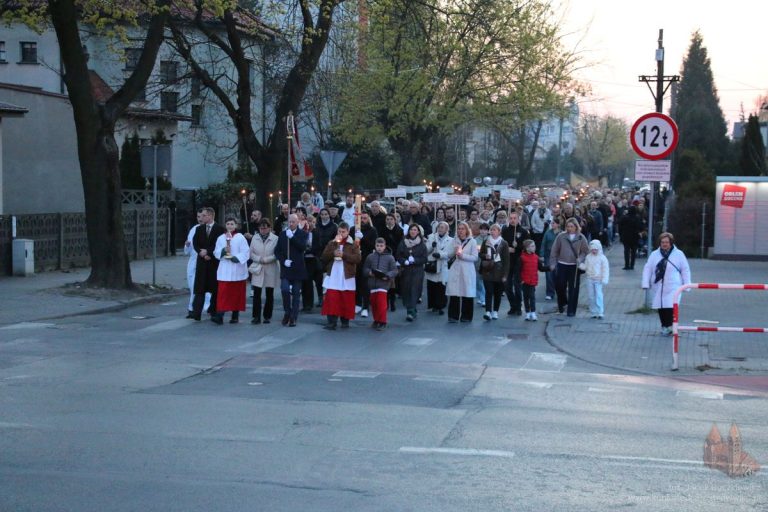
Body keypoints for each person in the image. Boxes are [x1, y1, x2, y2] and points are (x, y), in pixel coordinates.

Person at [642, 232, 691, 336]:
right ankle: (664, 326)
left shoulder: (679, 254)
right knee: (661, 307)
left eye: (667, 242)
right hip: (658, 285)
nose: (664, 244)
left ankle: (669, 326)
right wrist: (645, 283)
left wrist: (687, 285)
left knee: (670, 306)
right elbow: (648, 268)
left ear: (671, 243)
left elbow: (685, 269)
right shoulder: (654, 254)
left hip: (673, 285)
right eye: (662, 242)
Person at [320, 222, 362, 330]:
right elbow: (324, 256)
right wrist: (333, 253)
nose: (341, 233)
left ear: (348, 232)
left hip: (346, 275)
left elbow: (357, 258)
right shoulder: (332, 243)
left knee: (345, 298)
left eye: (343, 232)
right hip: (334, 273)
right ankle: (331, 322)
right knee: (332, 298)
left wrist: (344, 255)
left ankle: (345, 321)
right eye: (339, 231)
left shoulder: (353, 244)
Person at [210, 218, 250, 324]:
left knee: (236, 294)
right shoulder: (221, 238)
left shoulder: (240, 238)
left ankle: (235, 315)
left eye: (232, 224)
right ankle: (220, 315)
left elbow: (245, 252)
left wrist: (236, 258)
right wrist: (223, 251)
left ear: (236, 225)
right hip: (225, 270)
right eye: (228, 224)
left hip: (237, 269)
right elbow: (216, 251)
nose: (230, 226)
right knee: (223, 293)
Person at [190, 207, 226, 321]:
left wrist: (209, 252)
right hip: (202, 262)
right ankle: (196, 312)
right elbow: (195, 242)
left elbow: (219, 244)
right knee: (199, 288)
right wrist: (200, 252)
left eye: (204, 215)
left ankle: (213, 310)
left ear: (210, 216)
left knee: (214, 288)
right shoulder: (199, 229)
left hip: (213, 262)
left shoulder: (220, 229)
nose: (202, 217)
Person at [549, 218, 589, 317]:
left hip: (574, 266)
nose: (569, 228)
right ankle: (563, 303)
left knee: (573, 289)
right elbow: (554, 250)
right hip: (562, 264)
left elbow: (585, 251)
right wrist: (553, 263)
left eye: (572, 226)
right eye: (568, 226)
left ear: (576, 227)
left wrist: (580, 259)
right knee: (560, 286)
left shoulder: (581, 237)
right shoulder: (561, 236)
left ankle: (571, 310)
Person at [275, 214, 309, 327]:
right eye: (289, 222)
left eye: (293, 222)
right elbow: (277, 251)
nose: (291, 224)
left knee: (295, 293)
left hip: (298, 268)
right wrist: (283, 261)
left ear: (297, 222)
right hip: (286, 268)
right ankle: (287, 312)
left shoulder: (303, 234)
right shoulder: (282, 234)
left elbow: (302, 247)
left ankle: (293, 317)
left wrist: (292, 238)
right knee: (284, 290)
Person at [363, 237, 398, 330]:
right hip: (372, 283)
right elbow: (365, 269)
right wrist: (369, 272)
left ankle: (383, 321)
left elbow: (394, 270)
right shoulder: (370, 257)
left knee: (381, 303)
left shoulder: (390, 257)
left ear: (384, 246)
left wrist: (387, 275)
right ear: (375, 246)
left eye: (381, 246)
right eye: (377, 246)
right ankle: (376, 320)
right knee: (374, 303)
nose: (379, 248)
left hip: (383, 284)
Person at [446, 222, 478, 323]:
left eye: (462, 229)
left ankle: (466, 316)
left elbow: (475, 257)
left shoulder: (472, 241)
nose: (460, 230)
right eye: (459, 229)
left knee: (466, 292)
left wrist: (463, 256)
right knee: (454, 292)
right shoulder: (455, 241)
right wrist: (449, 253)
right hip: (456, 268)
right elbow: (449, 253)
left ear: (467, 230)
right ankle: (453, 316)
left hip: (467, 269)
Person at [248, 219, 279, 324]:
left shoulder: (275, 239)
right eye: (261, 228)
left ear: (269, 228)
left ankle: (267, 316)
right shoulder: (255, 238)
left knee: (269, 293)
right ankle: (256, 316)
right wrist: (258, 259)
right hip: (258, 266)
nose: (263, 230)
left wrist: (267, 259)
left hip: (270, 267)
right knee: (256, 293)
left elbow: (277, 253)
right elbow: (251, 253)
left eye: (265, 228)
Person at [396, 224, 427, 321]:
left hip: (417, 270)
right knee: (406, 290)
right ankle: (410, 308)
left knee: (415, 289)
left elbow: (424, 258)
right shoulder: (403, 242)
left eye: (415, 230)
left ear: (418, 232)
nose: (413, 231)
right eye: (411, 230)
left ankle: (411, 310)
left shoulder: (421, 244)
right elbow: (399, 255)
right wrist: (403, 261)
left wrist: (416, 260)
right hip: (406, 270)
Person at [501, 211, 529, 316]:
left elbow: (528, 246)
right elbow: (501, 244)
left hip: (518, 262)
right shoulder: (505, 231)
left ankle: (518, 306)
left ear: (518, 219)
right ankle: (512, 305)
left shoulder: (523, 232)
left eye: (515, 218)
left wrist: (518, 246)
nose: (513, 220)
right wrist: (507, 248)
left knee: (517, 286)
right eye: (511, 218)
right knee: (507, 286)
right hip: (507, 262)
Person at [479, 223, 509, 320]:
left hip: (499, 271)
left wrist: (505, 274)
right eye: (491, 230)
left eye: (494, 230)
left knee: (497, 293)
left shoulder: (503, 243)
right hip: (488, 270)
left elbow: (506, 260)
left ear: (499, 232)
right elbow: (481, 253)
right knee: (489, 291)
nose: (492, 232)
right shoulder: (486, 241)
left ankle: (495, 311)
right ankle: (488, 311)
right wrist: (484, 256)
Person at [184, 210, 210, 318]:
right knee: (192, 286)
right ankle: (192, 308)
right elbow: (188, 250)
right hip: (194, 261)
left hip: (206, 260)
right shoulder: (194, 229)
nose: (200, 218)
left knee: (206, 287)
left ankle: (207, 307)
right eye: (198, 216)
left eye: (203, 216)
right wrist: (187, 245)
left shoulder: (211, 229)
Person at [425, 221, 452, 315]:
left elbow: (450, 253)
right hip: (432, 264)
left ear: (447, 229)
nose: (440, 229)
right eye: (439, 227)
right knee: (432, 285)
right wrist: (432, 248)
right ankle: (433, 305)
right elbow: (426, 250)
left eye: (443, 227)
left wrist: (440, 254)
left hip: (442, 264)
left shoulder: (451, 240)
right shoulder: (431, 237)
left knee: (441, 286)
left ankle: (441, 306)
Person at [355, 212, 378, 318]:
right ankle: (357, 303)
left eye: (365, 218)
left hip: (367, 260)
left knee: (365, 284)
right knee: (356, 283)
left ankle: (365, 307)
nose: (363, 220)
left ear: (368, 219)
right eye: (361, 218)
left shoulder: (372, 230)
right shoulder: (353, 229)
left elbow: (373, 245)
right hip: (356, 260)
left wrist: (362, 238)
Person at [381, 213, 404, 311]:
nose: (389, 221)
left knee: (392, 281)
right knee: (385, 280)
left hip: (395, 257)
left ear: (395, 220)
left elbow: (400, 245)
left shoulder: (399, 230)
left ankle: (392, 301)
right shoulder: (382, 230)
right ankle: (386, 301)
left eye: (391, 219)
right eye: (387, 219)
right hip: (385, 256)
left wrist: (398, 257)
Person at [584, 239, 610, 319]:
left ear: (599, 249)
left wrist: (604, 279)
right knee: (591, 296)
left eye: (595, 249)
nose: (594, 251)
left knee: (598, 295)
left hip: (598, 279)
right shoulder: (588, 257)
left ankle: (600, 311)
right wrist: (580, 265)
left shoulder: (602, 258)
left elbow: (605, 269)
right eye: (592, 249)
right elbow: (586, 266)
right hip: (589, 278)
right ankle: (593, 312)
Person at [539, 218, 560, 300]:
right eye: (552, 223)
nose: (552, 224)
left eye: (554, 223)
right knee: (549, 275)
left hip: (559, 256)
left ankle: (559, 291)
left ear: (558, 224)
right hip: (549, 256)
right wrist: (541, 255)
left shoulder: (561, 233)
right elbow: (543, 244)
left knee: (558, 274)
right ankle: (550, 293)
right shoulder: (548, 233)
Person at [519, 239, 539, 321]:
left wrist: (549, 268)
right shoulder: (522, 258)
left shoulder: (536, 257)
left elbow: (540, 267)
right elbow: (518, 270)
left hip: (532, 280)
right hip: (525, 280)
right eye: (532, 246)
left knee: (532, 296)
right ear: (527, 248)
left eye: (534, 246)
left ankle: (533, 312)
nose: (534, 247)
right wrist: (520, 280)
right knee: (526, 297)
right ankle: (527, 312)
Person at [618, 205, 643, 270]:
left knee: (626, 251)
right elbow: (640, 227)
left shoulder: (624, 218)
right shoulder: (637, 218)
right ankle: (632, 265)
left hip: (626, 236)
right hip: (635, 237)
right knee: (634, 252)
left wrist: (621, 235)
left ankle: (626, 265)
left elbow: (620, 226)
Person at [474, 222, 490, 307]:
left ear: (488, 231)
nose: (483, 231)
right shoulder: (476, 239)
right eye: (481, 229)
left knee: (484, 282)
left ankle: (484, 298)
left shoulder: (490, 239)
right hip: (477, 262)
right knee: (477, 281)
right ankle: (480, 297)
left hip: (486, 263)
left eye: (485, 230)